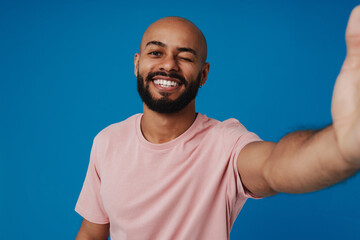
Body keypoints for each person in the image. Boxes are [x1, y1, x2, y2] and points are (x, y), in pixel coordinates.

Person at [75, 7, 360, 240]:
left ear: (203, 74)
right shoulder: (107, 141)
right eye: (156, 53)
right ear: (137, 63)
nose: (169, 65)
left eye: (185, 57)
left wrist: (340, 147)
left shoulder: (226, 143)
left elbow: (275, 166)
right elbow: (91, 233)